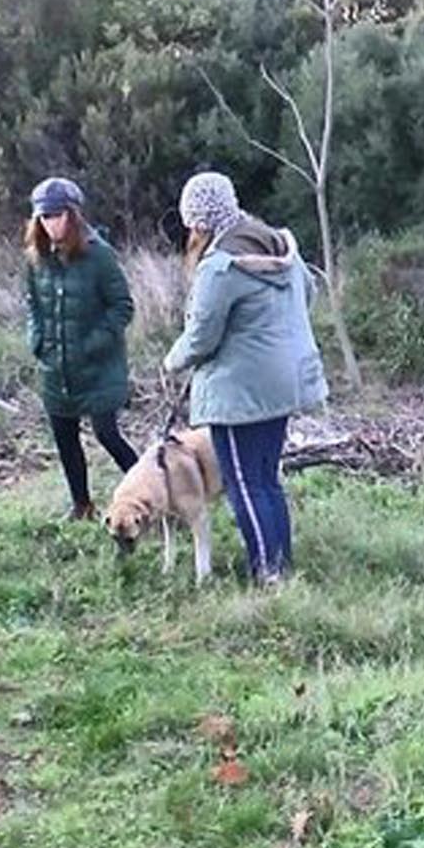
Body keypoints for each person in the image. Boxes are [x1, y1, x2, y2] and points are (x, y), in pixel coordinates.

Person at [164, 171, 328, 583]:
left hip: (240, 392)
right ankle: (280, 566)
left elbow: (201, 337)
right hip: (284, 382)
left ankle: (267, 575)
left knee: (242, 483)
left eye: (191, 223)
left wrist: (171, 361)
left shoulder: (220, 267)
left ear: (200, 222)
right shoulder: (279, 245)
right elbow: (309, 292)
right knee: (266, 479)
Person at [22, 176, 139, 521]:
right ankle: (82, 506)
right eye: (44, 217)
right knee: (65, 437)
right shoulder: (36, 257)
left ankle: (155, 493)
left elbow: (122, 306)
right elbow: (32, 304)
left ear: (72, 215)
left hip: (98, 367)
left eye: (57, 215)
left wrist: (91, 344)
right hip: (55, 368)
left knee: (107, 435)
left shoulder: (99, 255)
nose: (50, 223)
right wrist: (37, 340)